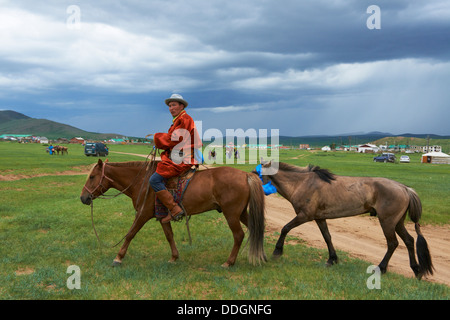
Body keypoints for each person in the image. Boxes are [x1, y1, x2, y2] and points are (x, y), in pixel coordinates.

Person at [149, 94, 202, 223]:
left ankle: (174, 209)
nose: (171, 108)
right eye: (170, 106)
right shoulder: (179, 119)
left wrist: (157, 137)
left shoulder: (184, 119)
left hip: (183, 157)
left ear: (181, 106)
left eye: (174, 105)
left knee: (155, 180)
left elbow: (175, 138)